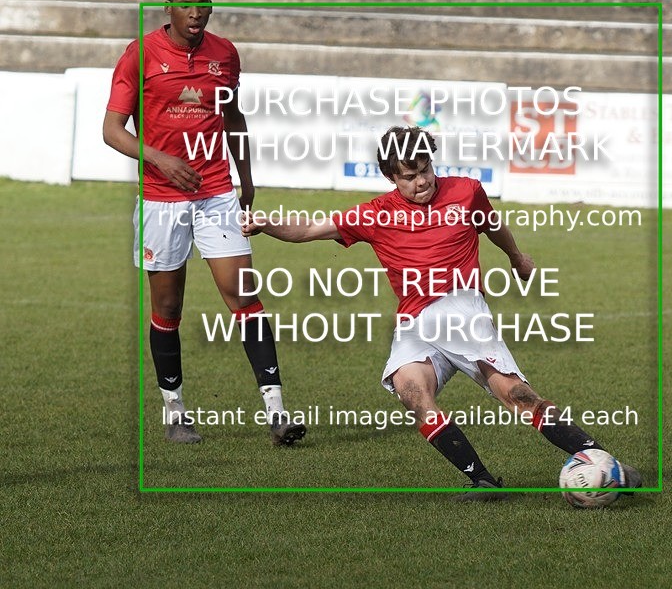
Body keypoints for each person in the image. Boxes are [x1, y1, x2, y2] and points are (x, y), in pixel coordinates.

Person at [243, 125, 641, 499]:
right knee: (411, 391)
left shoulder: (466, 192)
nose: (422, 181)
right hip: (414, 323)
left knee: (516, 396)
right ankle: (483, 481)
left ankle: (609, 466)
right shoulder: (375, 214)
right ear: (391, 178)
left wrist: (517, 257)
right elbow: (309, 229)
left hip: (460, 308)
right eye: (409, 176)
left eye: (425, 169)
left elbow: (492, 225)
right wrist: (267, 224)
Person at [102, 0, 305, 447]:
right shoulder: (140, 54)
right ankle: (175, 413)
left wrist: (246, 177)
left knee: (244, 297)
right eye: (187, 5)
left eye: (204, 4)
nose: (196, 13)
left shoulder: (225, 54)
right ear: (169, 8)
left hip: (216, 191)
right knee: (168, 306)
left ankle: (278, 414)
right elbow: (112, 130)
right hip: (160, 198)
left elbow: (234, 118)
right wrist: (160, 159)